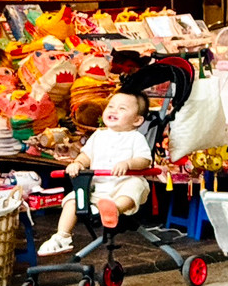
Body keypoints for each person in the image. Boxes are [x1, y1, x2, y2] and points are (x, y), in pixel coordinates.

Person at [38, 93, 152, 255]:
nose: (114, 110)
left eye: (122, 108)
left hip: (122, 184)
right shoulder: (99, 135)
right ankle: (62, 236)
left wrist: (128, 164)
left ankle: (115, 209)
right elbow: (86, 155)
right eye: (111, 106)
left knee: (135, 184)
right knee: (73, 199)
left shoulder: (135, 138)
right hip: (96, 187)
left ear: (137, 120)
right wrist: (78, 163)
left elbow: (144, 160)